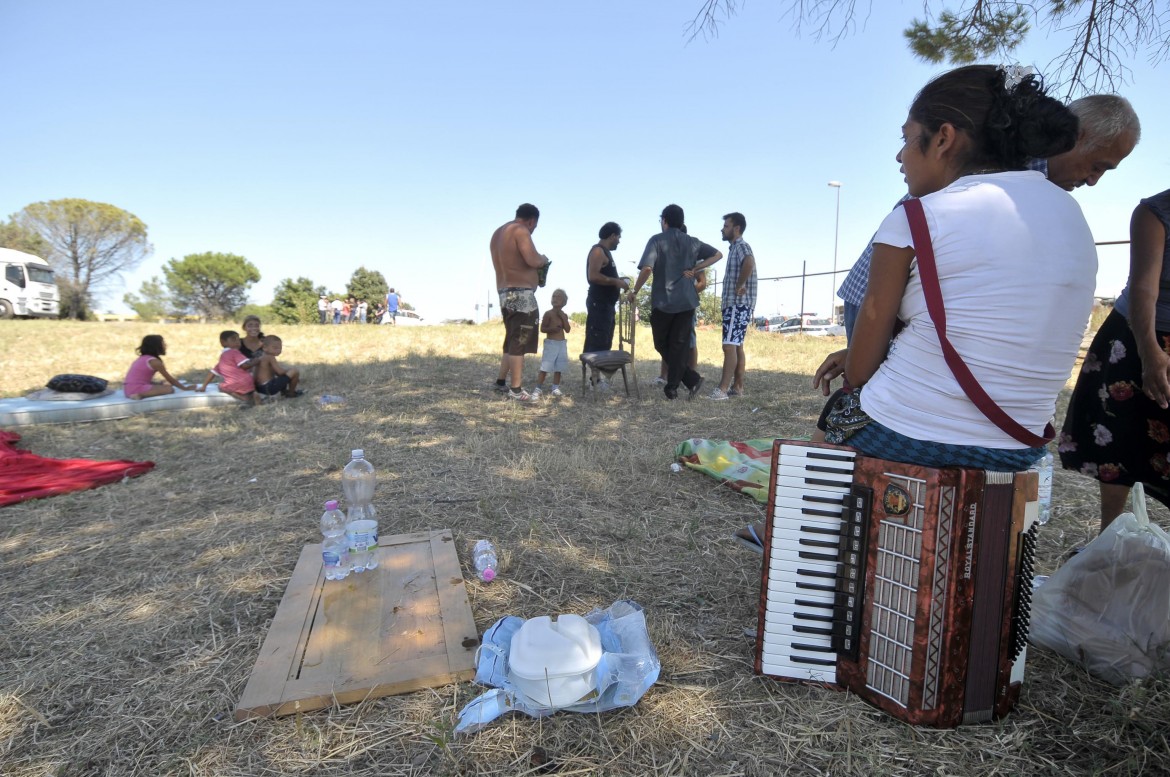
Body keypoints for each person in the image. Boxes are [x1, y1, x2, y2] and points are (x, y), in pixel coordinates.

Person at [739, 65, 1095, 548]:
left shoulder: (915, 215)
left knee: (841, 415)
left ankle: (798, 542)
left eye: (909, 140)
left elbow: (863, 361)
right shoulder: (1070, 213)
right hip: (1020, 446)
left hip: (912, 434)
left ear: (944, 138)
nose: (900, 157)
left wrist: (861, 367)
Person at [836, 93, 1141, 341]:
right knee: (875, 400)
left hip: (906, 305)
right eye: (1098, 166)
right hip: (880, 300)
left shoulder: (1039, 191)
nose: (1093, 181)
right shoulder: (1005, 167)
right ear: (1077, 137)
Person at [1060, 189, 1170, 531]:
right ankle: (1108, 539)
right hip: (1139, 333)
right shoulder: (1155, 212)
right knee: (1118, 434)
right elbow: (1143, 290)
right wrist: (1150, 353)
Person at [629, 204, 722, 400]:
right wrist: (697, 268)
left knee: (661, 343)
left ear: (664, 220)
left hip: (664, 302)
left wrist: (635, 290)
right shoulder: (692, 242)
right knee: (678, 345)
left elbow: (646, 268)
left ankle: (677, 385)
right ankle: (686, 382)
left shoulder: (656, 240)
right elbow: (717, 254)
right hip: (687, 301)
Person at [490, 203, 550, 401]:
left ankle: (501, 381)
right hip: (522, 295)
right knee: (520, 340)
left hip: (504, 292)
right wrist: (543, 259)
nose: (532, 231)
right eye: (534, 227)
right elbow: (533, 260)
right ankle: (516, 389)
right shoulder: (520, 230)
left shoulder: (498, 233)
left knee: (511, 338)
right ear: (532, 220)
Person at [708, 212, 756, 400]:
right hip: (738, 305)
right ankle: (737, 387)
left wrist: (739, 285)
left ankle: (722, 390)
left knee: (729, 346)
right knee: (736, 345)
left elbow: (749, 263)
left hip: (737, 304)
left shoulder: (741, 246)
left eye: (726, 226)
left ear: (737, 228)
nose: (723, 229)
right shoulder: (734, 248)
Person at [582, 222, 629, 386]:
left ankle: (598, 379)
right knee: (597, 341)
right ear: (613, 236)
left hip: (607, 305)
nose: (619, 241)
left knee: (605, 341)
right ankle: (594, 380)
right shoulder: (597, 251)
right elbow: (593, 276)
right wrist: (615, 281)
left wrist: (619, 282)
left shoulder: (606, 253)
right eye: (619, 237)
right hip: (599, 304)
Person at [196, 330, 259, 404]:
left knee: (221, 386)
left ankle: (243, 398)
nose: (237, 342)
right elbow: (246, 365)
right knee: (245, 381)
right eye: (233, 339)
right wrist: (256, 361)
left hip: (236, 384)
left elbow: (212, 373)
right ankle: (252, 394)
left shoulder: (224, 357)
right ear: (223, 342)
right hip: (248, 383)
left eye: (238, 340)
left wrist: (204, 386)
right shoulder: (235, 352)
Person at [123, 334, 192, 400]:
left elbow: (140, 379)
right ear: (156, 346)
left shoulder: (143, 358)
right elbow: (170, 379)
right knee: (169, 389)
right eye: (163, 343)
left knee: (164, 385)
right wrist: (185, 388)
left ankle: (139, 393)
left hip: (128, 389)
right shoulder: (154, 362)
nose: (165, 345)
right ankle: (140, 395)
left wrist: (159, 383)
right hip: (135, 389)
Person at [533, 289, 571, 398]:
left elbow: (567, 329)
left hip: (561, 344)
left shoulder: (564, 315)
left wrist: (564, 318)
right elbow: (542, 328)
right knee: (546, 366)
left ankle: (555, 387)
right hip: (551, 344)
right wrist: (552, 329)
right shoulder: (548, 314)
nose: (555, 299)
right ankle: (538, 388)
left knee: (559, 367)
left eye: (558, 297)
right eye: (553, 296)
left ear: (564, 301)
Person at [253, 335, 302, 399]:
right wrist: (290, 372)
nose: (278, 350)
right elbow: (280, 372)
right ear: (265, 348)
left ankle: (284, 392)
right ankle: (291, 393)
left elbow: (277, 373)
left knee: (282, 377)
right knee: (294, 371)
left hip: (259, 388)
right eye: (275, 348)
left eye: (280, 348)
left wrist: (288, 376)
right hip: (268, 387)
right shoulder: (270, 357)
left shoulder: (262, 356)